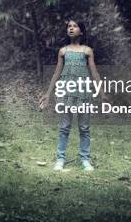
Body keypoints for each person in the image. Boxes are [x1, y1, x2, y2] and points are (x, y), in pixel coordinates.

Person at [38, 18, 106, 171]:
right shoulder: (63, 51)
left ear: (81, 31)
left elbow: (94, 72)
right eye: (69, 26)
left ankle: (85, 159)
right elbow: (57, 72)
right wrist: (48, 94)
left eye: (75, 26)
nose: (71, 28)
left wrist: (102, 93)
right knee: (64, 126)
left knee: (84, 127)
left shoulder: (87, 51)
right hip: (66, 92)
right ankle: (60, 158)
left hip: (83, 92)